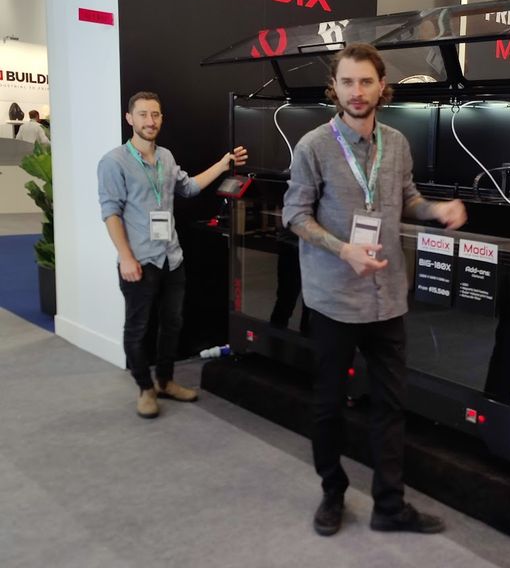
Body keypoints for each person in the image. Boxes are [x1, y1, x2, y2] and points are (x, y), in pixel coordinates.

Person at [282, 43, 467, 536]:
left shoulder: (397, 143)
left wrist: (436, 210)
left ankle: (390, 505)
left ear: (382, 86)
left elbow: (408, 199)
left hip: (387, 299)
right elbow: (294, 215)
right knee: (328, 405)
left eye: (366, 81)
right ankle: (333, 492)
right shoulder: (314, 146)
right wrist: (344, 249)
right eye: (347, 82)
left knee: (391, 406)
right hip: (335, 300)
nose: (357, 91)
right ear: (334, 88)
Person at [97, 91, 248, 418]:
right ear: (130, 118)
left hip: (171, 258)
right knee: (137, 329)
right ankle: (145, 388)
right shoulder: (113, 162)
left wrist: (223, 164)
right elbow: (111, 213)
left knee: (173, 324)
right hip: (140, 261)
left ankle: (165, 381)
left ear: (161, 118)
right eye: (142, 114)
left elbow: (188, 187)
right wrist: (125, 257)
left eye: (155, 114)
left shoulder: (165, 156)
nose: (150, 121)